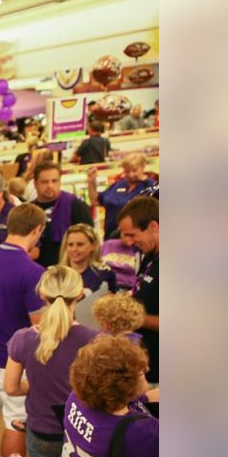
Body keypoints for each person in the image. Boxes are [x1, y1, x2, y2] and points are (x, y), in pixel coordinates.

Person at [3, 267, 100, 457]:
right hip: (82, 432)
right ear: (80, 294)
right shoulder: (94, 340)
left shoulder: (23, 338)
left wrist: (38, 383)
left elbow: (11, 388)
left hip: (42, 432)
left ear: (41, 295)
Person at [0, 204, 48, 457]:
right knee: (16, 417)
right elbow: (39, 324)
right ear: (36, 229)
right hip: (13, 359)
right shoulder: (33, 271)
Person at [115, 196, 159, 383]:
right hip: (146, 367)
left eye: (133, 235)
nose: (130, 242)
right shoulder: (149, 256)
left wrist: (132, 317)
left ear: (153, 226)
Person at [29, 163, 94, 268]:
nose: (50, 186)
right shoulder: (29, 210)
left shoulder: (76, 205)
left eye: (54, 181)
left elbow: (90, 240)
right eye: (44, 182)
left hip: (70, 270)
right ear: (35, 184)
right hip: (38, 270)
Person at [87, 153, 158, 239]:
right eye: (127, 171)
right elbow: (95, 201)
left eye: (134, 170)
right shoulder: (118, 184)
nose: (131, 174)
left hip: (136, 239)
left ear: (143, 168)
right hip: (111, 236)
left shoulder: (149, 186)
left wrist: (146, 180)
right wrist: (91, 181)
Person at [60, 224, 117, 295]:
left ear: (94, 245)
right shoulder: (55, 274)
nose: (74, 249)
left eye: (80, 244)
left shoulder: (105, 274)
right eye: (70, 245)